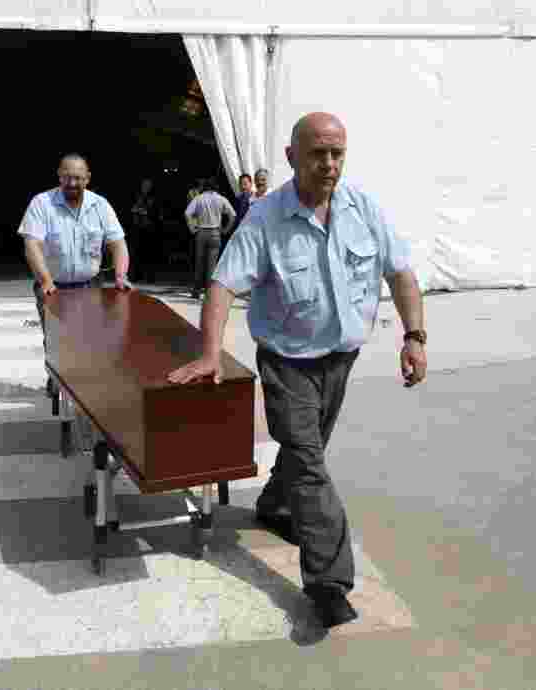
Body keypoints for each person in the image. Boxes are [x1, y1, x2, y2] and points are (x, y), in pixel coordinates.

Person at [167, 113, 428, 630]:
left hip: (341, 359)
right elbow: (221, 284)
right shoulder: (265, 218)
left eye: (337, 153)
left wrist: (414, 336)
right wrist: (210, 352)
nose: (329, 164)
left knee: (307, 449)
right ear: (292, 157)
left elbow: (401, 273)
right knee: (310, 462)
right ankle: (329, 582)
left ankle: (273, 507)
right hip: (287, 363)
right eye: (317, 154)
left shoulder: (362, 208)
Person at [18, 153, 131, 394]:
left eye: (78, 178)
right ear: (59, 176)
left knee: (88, 338)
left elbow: (118, 243)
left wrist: (120, 275)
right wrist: (46, 280)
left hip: (90, 284)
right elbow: (32, 244)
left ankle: (82, 386)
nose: (72, 183)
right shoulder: (42, 203)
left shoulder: (100, 205)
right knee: (56, 339)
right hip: (53, 287)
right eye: (67, 177)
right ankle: (57, 379)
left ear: (88, 178)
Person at [184, 177, 236, 299]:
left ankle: (196, 291)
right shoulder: (220, 198)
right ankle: (209, 292)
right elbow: (233, 215)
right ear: (216, 187)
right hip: (215, 233)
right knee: (212, 265)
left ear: (204, 187)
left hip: (201, 232)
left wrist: (192, 227)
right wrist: (226, 229)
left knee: (199, 262)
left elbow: (187, 213)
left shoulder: (199, 198)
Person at [129, 178, 162, 283]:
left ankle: (150, 277)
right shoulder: (136, 195)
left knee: (149, 254)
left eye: (148, 185)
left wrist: (147, 212)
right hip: (137, 227)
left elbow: (158, 213)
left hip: (149, 228)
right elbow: (130, 209)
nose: (146, 187)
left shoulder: (154, 197)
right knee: (136, 253)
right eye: (145, 185)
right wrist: (135, 210)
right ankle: (135, 276)